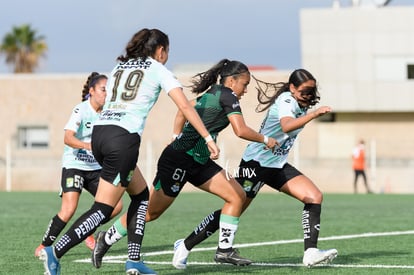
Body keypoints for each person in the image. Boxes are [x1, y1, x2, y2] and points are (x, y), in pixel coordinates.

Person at [39, 28, 219, 275]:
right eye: (167, 51)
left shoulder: (119, 68)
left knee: (141, 195)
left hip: (102, 135)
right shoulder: (157, 69)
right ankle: (54, 251)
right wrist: (208, 138)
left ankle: (134, 260)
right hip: (122, 140)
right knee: (103, 207)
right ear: (160, 50)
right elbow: (186, 106)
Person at [90, 59, 278, 269]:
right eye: (244, 84)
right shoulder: (227, 95)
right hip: (178, 160)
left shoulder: (213, 92)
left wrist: (176, 135)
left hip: (199, 160)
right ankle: (105, 239)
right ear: (232, 81)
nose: (245, 90)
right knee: (151, 212)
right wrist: (265, 140)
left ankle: (224, 250)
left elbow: (183, 110)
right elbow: (240, 130)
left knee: (237, 196)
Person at [170, 69, 338, 269]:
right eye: (305, 90)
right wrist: (313, 114)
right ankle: (185, 245)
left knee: (314, 196)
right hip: (255, 164)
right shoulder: (286, 101)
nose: (309, 95)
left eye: (312, 90)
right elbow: (286, 126)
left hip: (276, 165)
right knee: (234, 209)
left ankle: (310, 252)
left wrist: (309, 111)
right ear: (292, 88)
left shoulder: (299, 103)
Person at [34, 72, 123, 257]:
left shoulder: (109, 113)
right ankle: (44, 245)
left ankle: (87, 232)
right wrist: (88, 146)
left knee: (117, 205)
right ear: (91, 91)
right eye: (103, 89)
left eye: (109, 90)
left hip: (96, 168)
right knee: (68, 210)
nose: (106, 94)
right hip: (75, 165)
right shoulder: (81, 110)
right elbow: (67, 137)